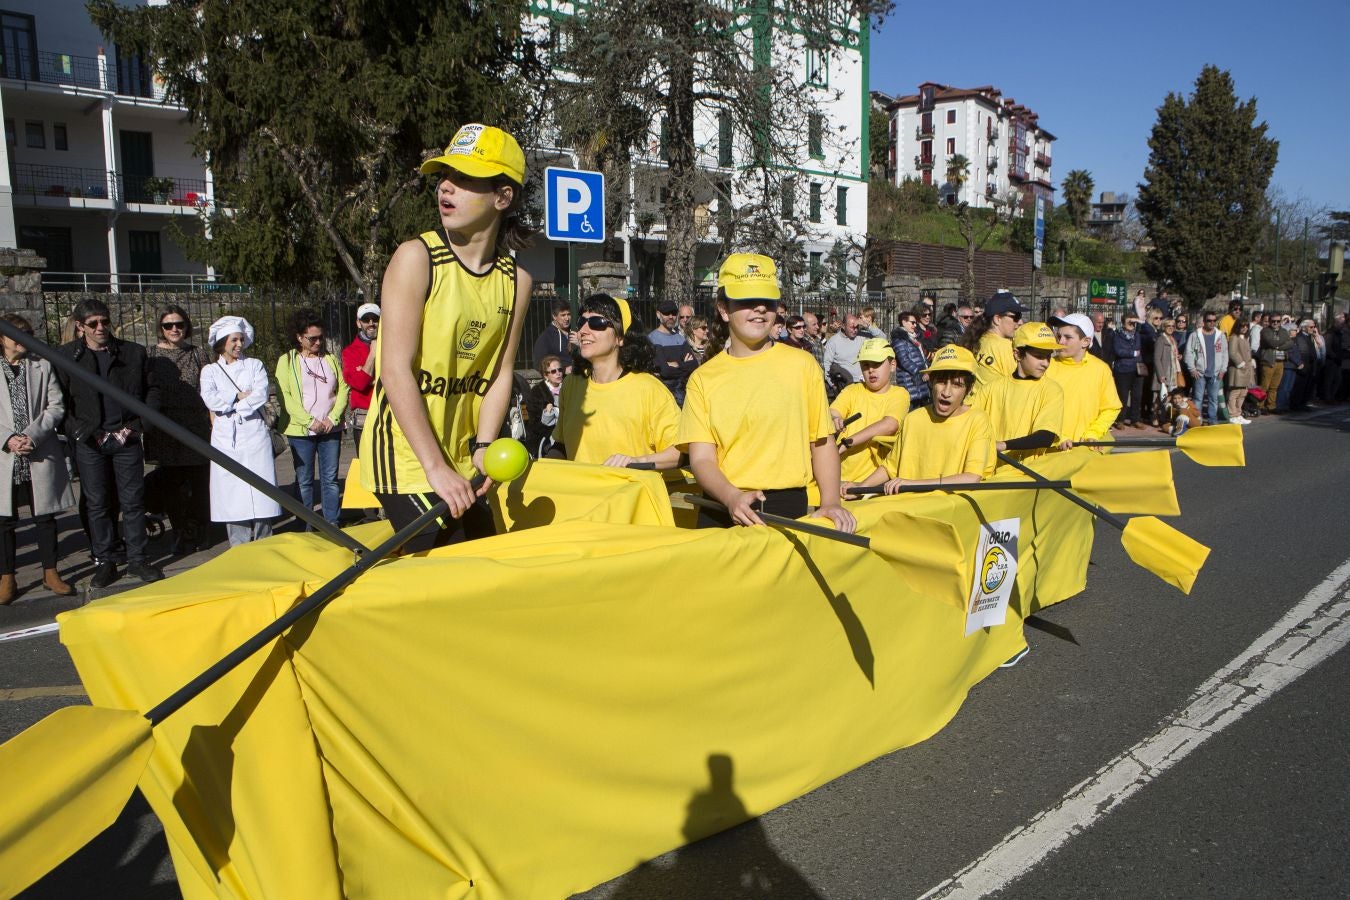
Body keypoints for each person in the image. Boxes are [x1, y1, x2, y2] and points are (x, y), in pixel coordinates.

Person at [359, 122, 533, 551]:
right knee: (450, 571)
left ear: (503, 196)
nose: (446, 189)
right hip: (406, 455)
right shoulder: (415, 257)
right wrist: (435, 467)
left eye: (464, 178)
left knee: (481, 565)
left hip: (460, 458)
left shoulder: (517, 280)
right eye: (444, 177)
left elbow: (501, 371)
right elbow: (394, 369)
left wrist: (484, 445)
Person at [678, 253, 854, 533]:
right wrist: (731, 496)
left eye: (768, 301)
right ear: (724, 309)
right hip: (721, 506)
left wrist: (831, 501)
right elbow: (701, 459)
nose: (760, 308)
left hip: (786, 505)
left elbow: (821, 441)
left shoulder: (802, 364)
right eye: (747, 300)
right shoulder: (703, 378)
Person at [58, 298, 162, 588]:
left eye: (105, 321)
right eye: (93, 323)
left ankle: (138, 559)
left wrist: (137, 427)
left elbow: (151, 391)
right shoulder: (66, 357)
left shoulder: (133, 352)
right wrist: (82, 432)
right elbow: (59, 404)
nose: (101, 327)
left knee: (132, 501)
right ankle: (105, 560)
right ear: (80, 327)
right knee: (98, 503)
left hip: (125, 438)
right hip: (90, 442)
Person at [549, 294, 680, 469]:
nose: (583, 331)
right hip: (582, 495)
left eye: (597, 323)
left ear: (621, 337)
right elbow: (562, 446)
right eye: (581, 322)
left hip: (630, 494)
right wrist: (538, 467)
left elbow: (679, 452)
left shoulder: (650, 389)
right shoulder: (571, 385)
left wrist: (635, 461)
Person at [0, 314, 74, 602]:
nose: (22, 339)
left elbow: (56, 405)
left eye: (27, 333)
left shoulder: (41, 365)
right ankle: (7, 576)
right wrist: (8, 439)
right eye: (14, 334)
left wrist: (33, 436)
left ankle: (51, 571)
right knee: (5, 518)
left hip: (38, 449)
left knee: (44, 515)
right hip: (6, 454)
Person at [852, 344, 995, 493]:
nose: (946, 392)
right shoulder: (913, 418)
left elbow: (972, 478)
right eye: (941, 382)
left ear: (969, 389)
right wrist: (860, 487)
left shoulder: (977, 420)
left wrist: (912, 484)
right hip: (906, 507)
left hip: (948, 510)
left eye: (956, 385)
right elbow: (890, 467)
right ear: (931, 382)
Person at [200, 316, 281, 545]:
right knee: (232, 491)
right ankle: (239, 545)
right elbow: (210, 399)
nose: (238, 344)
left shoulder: (255, 365)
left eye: (241, 339)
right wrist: (236, 396)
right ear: (222, 342)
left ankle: (265, 542)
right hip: (227, 435)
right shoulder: (210, 371)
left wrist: (236, 405)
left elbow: (260, 393)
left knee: (261, 490)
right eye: (234, 340)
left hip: (254, 433)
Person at [145, 304, 213, 554]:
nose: (174, 329)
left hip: (196, 426)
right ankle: (180, 531)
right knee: (171, 484)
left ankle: (199, 528)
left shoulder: (198, 354)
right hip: (165, 429)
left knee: (200, 481)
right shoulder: (150, 355)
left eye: (179, 324)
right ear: (160, 328)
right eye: (168, 325)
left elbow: (209, 390)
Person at [277, 309, 349, 527]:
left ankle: (331, 523)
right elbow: (285, 396)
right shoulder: (287, 361)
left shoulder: (329, 359)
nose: (318, 342)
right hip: (301, 431)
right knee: (304, 480)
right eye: (312, 338)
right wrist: (309, 421)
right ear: (299, 337)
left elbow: (344, 388)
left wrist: (333, 418)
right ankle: (305, 524)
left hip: (330, 430)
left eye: (320, 337)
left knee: (330, 479)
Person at [974, 322, 1064, 460]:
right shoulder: (991, 389)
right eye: (1039, 356)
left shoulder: (1052, 390)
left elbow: (1046, 436)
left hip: (1028, 475)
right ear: (1017, 354)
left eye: (1048, 356)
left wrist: (1003, 445)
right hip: (989, 473)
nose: (1045, 363)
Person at [830, 338, 909, 492]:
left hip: (873, 483)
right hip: (839, 477)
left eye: (877, 364)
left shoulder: (899, 394)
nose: (871, 370)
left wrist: (847, 443)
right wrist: (835, 420)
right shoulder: (852, 390)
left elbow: (889, 424)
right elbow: (833, 411)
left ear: (892, 365)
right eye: (865, 365)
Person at [1045, 313, 1121, 448]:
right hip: (1050, 449)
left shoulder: (1101, 369)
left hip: (1085, 450)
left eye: (1067, 337)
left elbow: (1111, 408)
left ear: (1085, 341)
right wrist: (1057, 437)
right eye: (1059, 336)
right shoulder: (1047, 366)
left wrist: (1093, 434)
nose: (1060, 341)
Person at [963, 290, 1022, 397]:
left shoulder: (979, 339)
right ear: (997, 319)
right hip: (992, 408)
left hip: (972, 406)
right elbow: (1018, 387)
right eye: (1016, 317)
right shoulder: (1005, 347)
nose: (1019, 322)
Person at [342, 302, 380, 450]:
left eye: (375, 319)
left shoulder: (393, 346)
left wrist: (366, 371)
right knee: (365, 464)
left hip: (390, 412)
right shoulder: (350, 352)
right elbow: (359, 383)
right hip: (365, 414)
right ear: (359, 323)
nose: (371, 323)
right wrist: (372, 354)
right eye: (366, 320)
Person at [1184, 311, 1229, 424]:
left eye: (1214, 321)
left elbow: (1225, 353)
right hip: (1200, 373)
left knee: (1213, 399)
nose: (1212, 323)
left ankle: (1212, 420)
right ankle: (1197, 420)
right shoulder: (1195, 335)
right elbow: (1188, 352)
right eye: (1209, 320)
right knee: (1198, 399)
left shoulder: (1220, 336)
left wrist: (1223, 369)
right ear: (1204, 321)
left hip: (1215, 373)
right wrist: (1192, 369)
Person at [524, 354, 564, 458]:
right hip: (545, 434)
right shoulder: (537, 392)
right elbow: (536, 421)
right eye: (553, 371)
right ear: (546, 375)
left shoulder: (568, 385)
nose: (558, 373)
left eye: (560, 369)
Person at [889, 309, 930, 408]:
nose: (915, 325)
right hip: (910, 383)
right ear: (903, 322)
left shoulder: (913, 338)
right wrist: (921, 372)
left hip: (921, 382)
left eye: (915, 323)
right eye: (912, 322)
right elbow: (904, 361)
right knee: (912, 412)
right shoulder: (899, 340)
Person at [1111, 310, 1144, 428]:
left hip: (1136, 369)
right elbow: (1118, 351)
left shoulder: (1137, 335)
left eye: (1134, 322)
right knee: (1123, 396)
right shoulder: (1117, 335)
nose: (1132, 324)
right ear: (1123, 323)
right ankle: (1120, 419)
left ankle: (1135, 419)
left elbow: (1139, 346)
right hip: (1123, 370)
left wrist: (1137, 320)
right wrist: (1134, 353)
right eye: (1130, 322)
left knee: (1137, 396)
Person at [1256, 312, 1288, 413]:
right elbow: (1271, 342)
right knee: (1265, 385)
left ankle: (1271, 406)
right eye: (1273, 321)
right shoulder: (1265, 331)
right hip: (1269, 361)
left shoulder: (1283, 331)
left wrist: (1279, 345)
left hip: (1280, 361)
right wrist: (1282, 342)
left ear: (1281, 322)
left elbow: (1290, 342)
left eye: (1278, 321)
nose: (1275, 323)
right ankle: (1260, 405)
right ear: (1269, 321)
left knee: (1274, 386)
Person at [822, 313, 865, 386]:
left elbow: (883, 338)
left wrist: (869, 326)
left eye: (857, 327)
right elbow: (826, 363)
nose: (855, 330)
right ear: (843, 326)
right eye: (852, 327)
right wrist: (832, 384)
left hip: (863, 382)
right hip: (844, 384)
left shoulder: (862, 336)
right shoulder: (834, 341)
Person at [532, 299, 575, 372]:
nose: (567, 318)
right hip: (560, 380)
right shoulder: (546, 337)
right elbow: (538, 363)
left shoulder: (575, 332)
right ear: (554, 316)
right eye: (563, 315)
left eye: (568, 314)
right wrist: (563, 370)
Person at [1153, 317, 1184, 417]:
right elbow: (1157, 358)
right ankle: (1154, 416)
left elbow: (1172, 354)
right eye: (1168, 326)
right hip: (1164, 372)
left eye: (1173, 326)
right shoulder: (1161, 339)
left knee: (1169, 396)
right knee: (1159, 396)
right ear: (1164, 327)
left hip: (1173, 371)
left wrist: (1178, 356)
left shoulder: (1173, 339)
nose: (1171, 328)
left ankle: (1164, 417)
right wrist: (1161, 374)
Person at [1226, 319, 1255, 425]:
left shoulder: (1246, 338)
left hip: (1246, 369)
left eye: (1246, 326)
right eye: (1242, 326)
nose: (1245, 328)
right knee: (1235, 392)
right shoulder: (1234, 337)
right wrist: (1241, 364)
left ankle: (1238, 413)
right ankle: (1232, 414)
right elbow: (1232, 353)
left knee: (1243, 392)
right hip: (1237, 370)